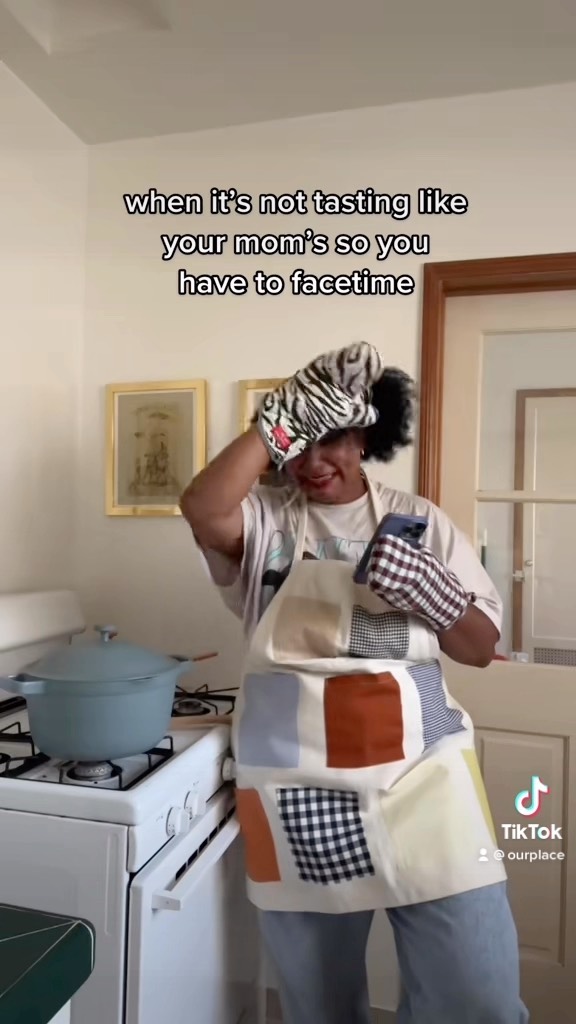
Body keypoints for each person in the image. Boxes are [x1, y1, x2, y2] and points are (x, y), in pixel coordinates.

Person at [180, 342, 528, 1024]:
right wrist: (278, 421)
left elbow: (481, 648)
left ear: (366, 435)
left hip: (423, 779)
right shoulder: (265, 520)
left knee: (478, 999)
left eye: (333, 439)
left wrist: (434, 593)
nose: (313, 461)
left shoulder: (421, 521)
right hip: (296, 788)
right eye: (298, 443)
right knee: (322, 1008)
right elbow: (201, 506)